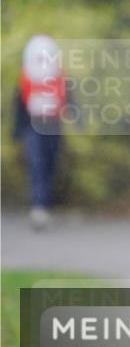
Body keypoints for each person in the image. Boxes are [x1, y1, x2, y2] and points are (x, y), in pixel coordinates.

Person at [13, 34, 68, 230]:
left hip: (52, 128)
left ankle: (45, 203)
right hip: (32, 129)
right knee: (36, 165)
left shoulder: (59, 78)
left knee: (50, 164)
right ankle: (38, 207)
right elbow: (19, 107)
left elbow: (69, 99)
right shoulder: (26, 79)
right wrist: (16, 132)